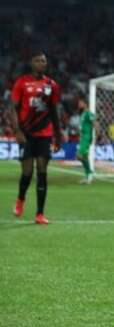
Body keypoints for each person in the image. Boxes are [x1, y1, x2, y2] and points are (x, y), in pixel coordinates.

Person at [9, 52, 62, 225]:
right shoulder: (22, 82)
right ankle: (20, 198)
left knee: (42, 170)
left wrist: (58, 135)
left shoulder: (52, 85)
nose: (42, 63)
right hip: (26, 134)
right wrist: (17, 130)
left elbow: (53, 111)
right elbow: (12, 108)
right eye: (38, 61)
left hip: (45, 134)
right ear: (32, 63)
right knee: (27, 172)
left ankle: (40, 213)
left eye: (44, 61)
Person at [76, 98, 96, 184]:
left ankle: (90, 173)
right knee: (83, 156)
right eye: (79, 103)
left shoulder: (88, 113)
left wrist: (98, 133)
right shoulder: (82, 114)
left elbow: (95, 122)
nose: (79, 104)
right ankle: (89, 174)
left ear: (85, 104)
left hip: (87, 137)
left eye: (81, 103)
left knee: (79, 155)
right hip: (83, 137)